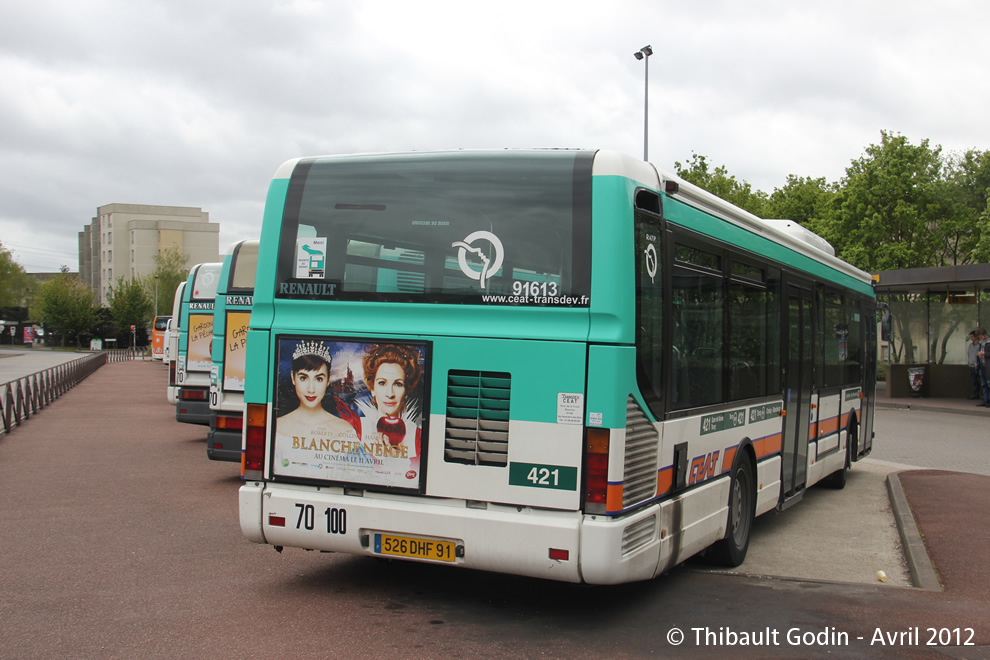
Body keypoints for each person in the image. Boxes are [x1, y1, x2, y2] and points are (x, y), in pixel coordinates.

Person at [358, 344, 423, 472]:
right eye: (382, 383)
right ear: (372, 389)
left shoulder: (418, 436)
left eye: (398, 384)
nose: (390, 394)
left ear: (406, 391)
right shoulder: (356, 429)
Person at [276, 340, 358, 440]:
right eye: (303, 378)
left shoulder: (345, 430)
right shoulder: (277, 427)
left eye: (319, 379)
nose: (311, 389)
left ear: (328, 379)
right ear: (293, 377)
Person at [967, 330, 982, 399]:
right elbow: (969, 354)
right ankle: (975, 394)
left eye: (972, 336)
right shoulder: (970, 345)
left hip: (978, 365)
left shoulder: (980, 345)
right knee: (974, 381)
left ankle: (983, 395)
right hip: (971, 365)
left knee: (981, 380)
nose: (971, 338)